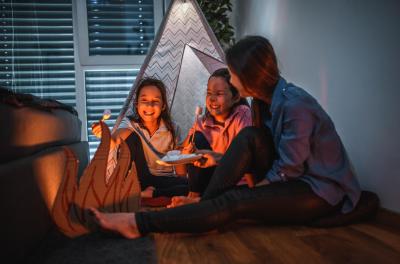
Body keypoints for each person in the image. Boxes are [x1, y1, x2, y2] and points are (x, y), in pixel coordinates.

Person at [89, 35, 361, 239]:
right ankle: (205, 205)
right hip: (291, 176)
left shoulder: (295, 105)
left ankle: (138, 224)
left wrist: (246, 197)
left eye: (232, 73)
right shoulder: (263, 104)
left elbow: (287, 170)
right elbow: (265, 155)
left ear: (247, 76)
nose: (229, 78)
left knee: (233, 203)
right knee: (251, 137)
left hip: (319, 190)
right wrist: (218, 166)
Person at [141, 68, 252, 199]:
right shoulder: (202, 122)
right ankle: (192, 196)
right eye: (209, 93)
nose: (212, 99)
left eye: (219, 93)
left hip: (235, 181)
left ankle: (190, 197)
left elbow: (244, 158)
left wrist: (214, 159)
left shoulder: (242, 114)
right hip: (210, 183)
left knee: (198, 143)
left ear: (235, 97)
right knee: (196, 142)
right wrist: (187, 153)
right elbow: (183, 165)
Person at [92, 77, 187, 194]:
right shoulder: (129, 124)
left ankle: (150, 194)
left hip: (163, 179)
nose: (149, 105)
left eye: (155, 101)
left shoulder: (173, 128)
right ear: (136, 104)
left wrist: (184, 181)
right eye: (144, 100)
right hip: (138, 178)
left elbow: (179, 165)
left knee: (190, 186)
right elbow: (116, 140)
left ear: (163, 106)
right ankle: (147, 193)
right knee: (131, 136)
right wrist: (105, 134)